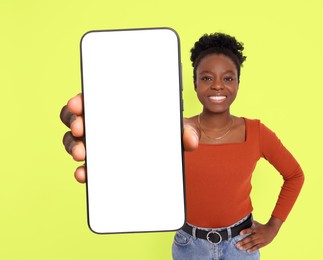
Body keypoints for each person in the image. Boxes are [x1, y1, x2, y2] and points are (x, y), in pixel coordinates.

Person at [60, 32, 304, 260]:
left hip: (240, 246)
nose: (218, 85)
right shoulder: (174, 129)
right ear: (195, 82)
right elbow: (137, 158)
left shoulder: (256, 132)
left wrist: (273, 227)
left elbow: (294, 175)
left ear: (238, 83)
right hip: (190, 245)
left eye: (228, 78)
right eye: (207, 78)